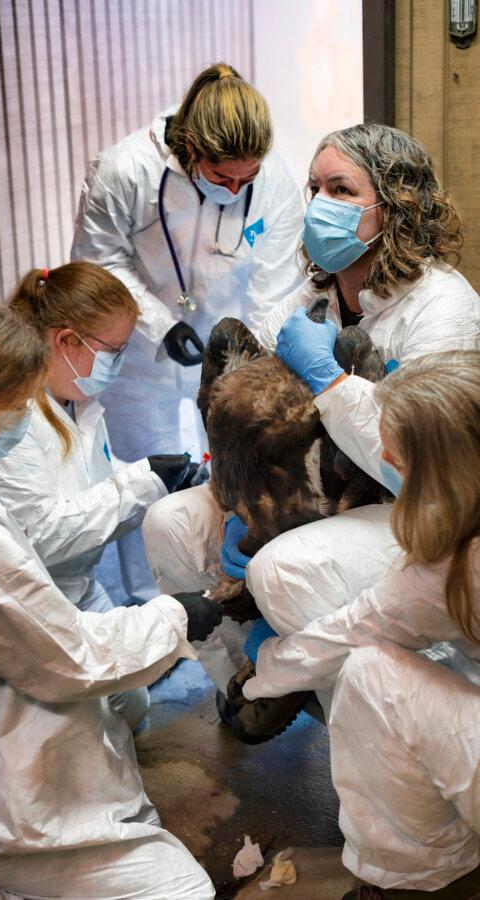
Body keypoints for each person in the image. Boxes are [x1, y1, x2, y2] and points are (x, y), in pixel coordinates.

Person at [142, 122, 480, 737]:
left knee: (281, 570)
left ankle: (344, 699)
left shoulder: (442, 308)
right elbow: (250, 389)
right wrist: (242, 479)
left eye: (342, 189)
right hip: (308, 483)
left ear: (395, 203)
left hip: (402, 505)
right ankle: (254, 680)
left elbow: (418, 466)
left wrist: (327, 380)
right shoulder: (313, 294)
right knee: (169, 524)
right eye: (315, 186)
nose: (321, 203)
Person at [0, 298, 219, 897]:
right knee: (183, 891)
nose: (27, 411)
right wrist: (177, 615)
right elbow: (73, 658)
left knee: (121, 716)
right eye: (22, 395)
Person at [241, 351, 480, 896]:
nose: (386, 455)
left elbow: (361, 628)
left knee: (370, 677)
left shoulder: (462, 564)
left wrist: (263, 670)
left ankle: (418, 876)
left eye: (398, 454)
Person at [72, 62, 304, 603]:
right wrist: (161, 325)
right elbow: (97, 261)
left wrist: (254, 358)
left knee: (237, 465)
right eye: (224, 177)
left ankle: (225, 595)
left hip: (230, 344)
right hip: (143, 355)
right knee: (146, 477)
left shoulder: (272, 180)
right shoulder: (124, 169)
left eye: (248, 177)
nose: (238, 187)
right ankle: (146, 603)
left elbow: (276, 283)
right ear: (191, 145)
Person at [0, 261, 201, 732]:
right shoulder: (12, 420)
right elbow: (42, 536)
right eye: (114, 351)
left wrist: (165, 481)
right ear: (66, 341)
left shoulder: (74, 402)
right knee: (78, 733)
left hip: (78, 588)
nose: (118, 364)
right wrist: (141, 484)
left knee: (133, 705)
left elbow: (92, 484)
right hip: (30, 603)